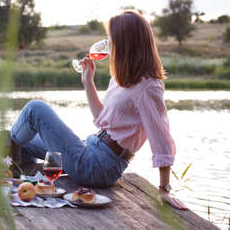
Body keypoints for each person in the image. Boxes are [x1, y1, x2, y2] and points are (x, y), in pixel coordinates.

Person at [10, 11, 187, 210]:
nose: (108, 44)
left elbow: (161, 139)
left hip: (100, 166)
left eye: (111, 39)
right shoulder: (123, 79)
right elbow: (101, 119)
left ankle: (7, 151)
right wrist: (88, 82)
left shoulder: (148, 87)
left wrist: (165, 189)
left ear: (125, 42)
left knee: (36, 109)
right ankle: (12, 163)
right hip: (91, 148)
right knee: (26, 143)